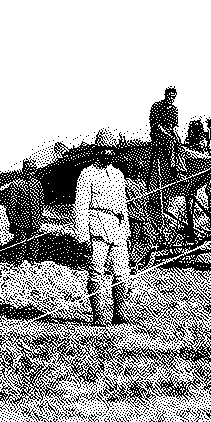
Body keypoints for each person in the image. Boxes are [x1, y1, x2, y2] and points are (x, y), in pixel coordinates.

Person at [74, 129, 132, 326]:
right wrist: (82, 236)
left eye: (111, 149)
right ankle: (98, 315)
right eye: (103, 149)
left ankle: (120, 313)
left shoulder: (118, 175)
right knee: (96, 271)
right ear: (97, 150)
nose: (108, 153)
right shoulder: (87, 174)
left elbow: (123, 206)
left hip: (118, 228)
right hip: (97, 226)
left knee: (122, 272)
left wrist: (126, 231)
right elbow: (80, 206)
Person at [4, 157, 45, 266]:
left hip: (35, 221)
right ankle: (18, 262)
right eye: (28, 170)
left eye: (33, 169)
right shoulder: (16, 184)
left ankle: (32, 260)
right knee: (20, 243)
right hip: (20, 221)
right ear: (23, 170)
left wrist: (39, 218)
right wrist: (13, 221)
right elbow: (11, 205)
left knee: (34, 243)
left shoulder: (37, 184)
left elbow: (40, 203)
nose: (31, 172)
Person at [149, 87, 187, 178]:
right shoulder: (157, 106)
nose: (171, 99)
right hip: (157, 133)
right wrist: (168, 135)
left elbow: (174, 126)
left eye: (173, 97)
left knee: (179, 145)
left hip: (169, 132)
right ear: (165, 96)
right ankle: (172, 167)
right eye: (169, 96)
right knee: (170, 141)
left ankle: (182, 170)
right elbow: (157, 125)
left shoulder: (174, 109)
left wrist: (177, 136)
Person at [123, 162, 152, 272]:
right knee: (133, 240)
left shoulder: (142, 183)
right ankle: (132, 264)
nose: (138, 173)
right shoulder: (126, 183)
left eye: (140, 170)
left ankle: (134, 259)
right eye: (136, 170)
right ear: (132, 171)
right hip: (133, 216)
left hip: (143, 216)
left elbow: (146, 200)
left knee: (150, 238)